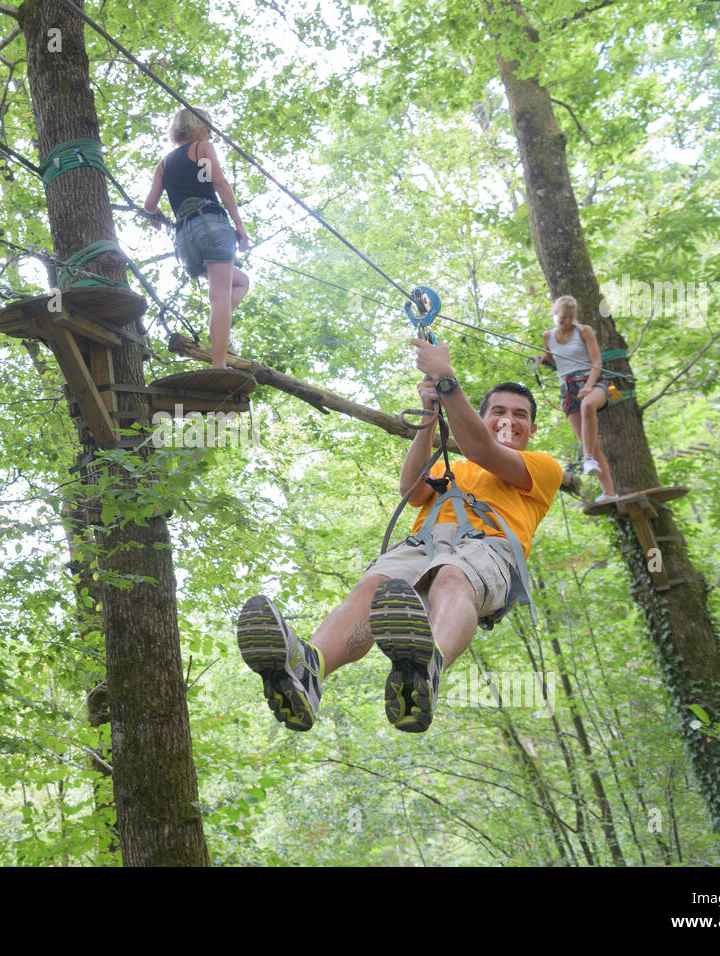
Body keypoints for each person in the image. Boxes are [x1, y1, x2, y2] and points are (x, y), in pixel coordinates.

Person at [236, 337, 562, 734]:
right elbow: (412, 490)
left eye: (519, 414)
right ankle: (309, 670)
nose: (508, 420)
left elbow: (480, 447)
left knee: (453, 575)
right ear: (481, 416)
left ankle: (427, 668)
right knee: (373, 587)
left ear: (532, 428)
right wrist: (429, 416)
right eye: (497, 411)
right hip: (423, 544)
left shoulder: (543, 467)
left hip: (487, 547)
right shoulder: (454, 465)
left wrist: (445, 376)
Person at [144, 106, 251, 369]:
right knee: (219, 296)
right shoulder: (201, 147)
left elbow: (148, 204)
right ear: (199, 126)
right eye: (209, 127)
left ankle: (218, 330)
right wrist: (240, 227)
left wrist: (155, 214)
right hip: (211, 225)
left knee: (240, 283)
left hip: (185, 241)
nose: (211, 133)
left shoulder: (164, 164)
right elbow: (220, 184)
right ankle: (218, 366)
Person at [539, 295, 617, 503]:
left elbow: (596, 361)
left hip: (593, 381)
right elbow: (553, 361)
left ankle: (587, 459)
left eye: (570, 317)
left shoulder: (583, 331)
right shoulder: (548, 337)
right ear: (555, 314)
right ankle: (609, 492)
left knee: (588, 405)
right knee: (588, 441)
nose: (567, 321)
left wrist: (590, 386)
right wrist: (542, 360)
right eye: (563, 317)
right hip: (568, 388)